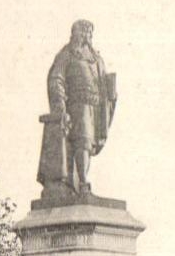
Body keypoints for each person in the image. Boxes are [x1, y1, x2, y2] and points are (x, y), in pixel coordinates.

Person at [37, 19, 116, 195]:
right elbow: (56, 77)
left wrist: (110, 92)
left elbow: (103, 82)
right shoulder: (67, 54)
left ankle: (80, 181)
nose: (86, 35)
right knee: (83, 142)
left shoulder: (96, 58)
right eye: (83, 31)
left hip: (95, 107)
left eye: (89, 33)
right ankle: (83, 182)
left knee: (88, 144)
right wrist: (59, 103)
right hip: (77, 106)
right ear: (75, 33)